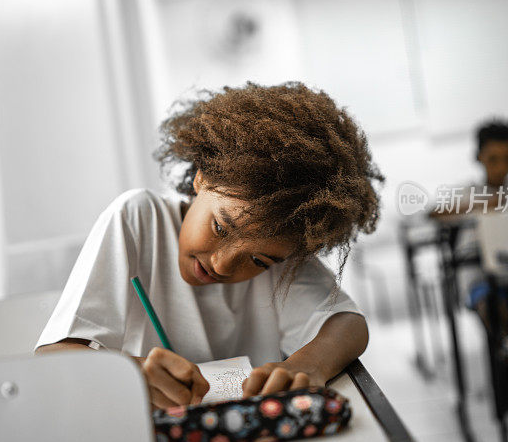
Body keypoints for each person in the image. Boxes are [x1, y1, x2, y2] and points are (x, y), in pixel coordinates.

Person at [35, 82, 381, 409]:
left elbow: (348, 324)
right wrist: (129, 374)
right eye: (221, 227)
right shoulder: (139, 219)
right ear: (202, 178)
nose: (223, 264)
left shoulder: (282, 248)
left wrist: (307, 366)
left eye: (258, 261)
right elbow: (55, 354)